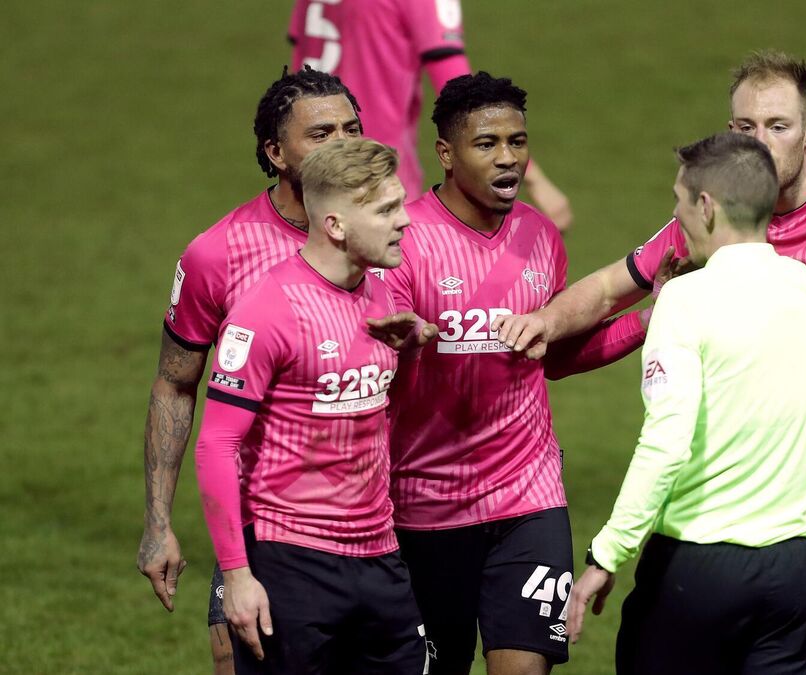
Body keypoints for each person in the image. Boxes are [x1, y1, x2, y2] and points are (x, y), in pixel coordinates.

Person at [493, 50, 806, 675]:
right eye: (746, 127)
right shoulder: (717, 214)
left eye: (778, 126)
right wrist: (544, 321)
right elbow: (607, 289)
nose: (760, 142)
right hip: (744, 498)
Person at [567, 132, 806, 675]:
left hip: (697, 572)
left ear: (706, 206)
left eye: (679, 203)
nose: (677, 218)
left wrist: (607, 554)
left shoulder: (683, 300)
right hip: (794, 573)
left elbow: (666, 442)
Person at [381, 71, 641, 675]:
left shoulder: (540, 236)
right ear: (446, 153)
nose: (508, 158)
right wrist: (404, 346)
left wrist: (647, 321)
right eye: (487, 143)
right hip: (424, 503)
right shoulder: (404, 240)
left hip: (528, 496)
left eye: (518, 142)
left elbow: (555, 356)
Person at [136, 67, 367, 674]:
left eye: (352, 129)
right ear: (275, 153)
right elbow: (175, 384)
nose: (343, 144)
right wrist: (159, 522)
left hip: (383, 523)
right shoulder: (219, 253)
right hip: (265, 527)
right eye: (321, 134)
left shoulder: (393, 240)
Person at [195, 137, 435, 674]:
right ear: (335, 225)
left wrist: (411, 355)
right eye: (386, 210)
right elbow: (216, 444)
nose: (405, 221)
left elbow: (386, 416)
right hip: (291, 560)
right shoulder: (266, 310)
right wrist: (236, 575)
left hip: (379, 555)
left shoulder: (382, 297)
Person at [288, 0, 574, 231]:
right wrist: (535, 179)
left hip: (310, 171)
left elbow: (300, 57)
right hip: (375, 173)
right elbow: (458, 89)